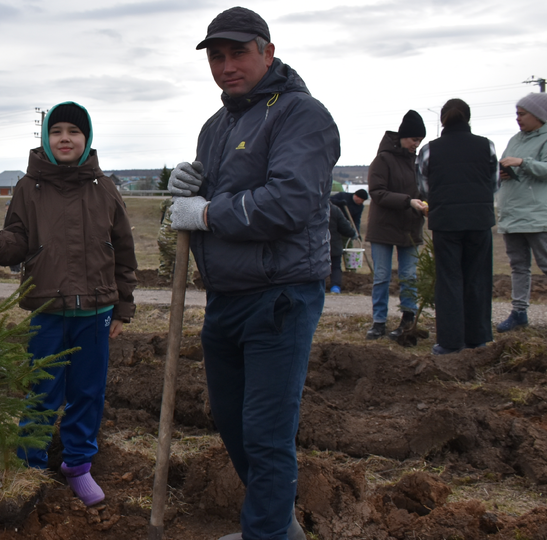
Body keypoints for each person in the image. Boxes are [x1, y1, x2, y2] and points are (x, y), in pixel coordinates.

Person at [167, 7, 338, 539]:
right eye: (216, 57)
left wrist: (208, 212)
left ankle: (266, 532)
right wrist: (188, 189)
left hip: (280, 295)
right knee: (235, 425)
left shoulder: (302, 115)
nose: (226, 66)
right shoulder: (215, 127)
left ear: (267, 51)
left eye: (238, 52)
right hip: (226, 297)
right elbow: (209, 203)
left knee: (266, 433)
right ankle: (277, 527)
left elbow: (288, 203)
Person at [0, 101, 137, 506]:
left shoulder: (105, 189)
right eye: (56, 130)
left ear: (86, 139)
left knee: (88, 392)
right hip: (47, 311)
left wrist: (123, 307)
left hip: (96, 313)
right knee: (42, 391)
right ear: (45, 138)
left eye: (73, 132)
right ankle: (31, 466)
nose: (65, 138)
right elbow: (18, 239)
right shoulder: (30, 187)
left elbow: (125, 252)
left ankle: (78, 466)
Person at [417, 99, 498, 355]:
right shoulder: (488, 146)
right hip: (479, 220)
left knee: (449, 280)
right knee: (477, 278)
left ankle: (450, 343)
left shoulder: (430, 150)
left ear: (442, 120)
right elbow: (493, 184)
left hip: (446, 221)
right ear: (469, 118)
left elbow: (424, 188)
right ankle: (478, 339)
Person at [363, 111, 427, 340]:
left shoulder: (417, 162)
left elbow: (423, 190)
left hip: (410, 227)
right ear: (403, 136)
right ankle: (378, 321)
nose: (416, 144)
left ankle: (408, 319)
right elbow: (377, 193)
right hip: (383, 228)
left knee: (409, 276)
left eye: (420, 141)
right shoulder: (383, 160)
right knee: (382, 276)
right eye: (413, 140)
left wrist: (424, 202)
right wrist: (408, 201)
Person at [495, 93, 547, 332]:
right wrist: (503, 171)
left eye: (522, 113)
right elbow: (508, 162)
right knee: (518, 266)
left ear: (538, 114)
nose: (518, 118)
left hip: (538, 216)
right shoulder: (515, 139)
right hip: (512, 214)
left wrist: (522, 162)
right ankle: (518, 313)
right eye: (517, 114)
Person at [328, 202, 357, 293]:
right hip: (334, 246)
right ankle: (335, 287)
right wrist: (353, 233)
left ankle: (316, 286)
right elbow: (344, 227)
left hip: (316, 247)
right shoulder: (334, 209)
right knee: (335, 267)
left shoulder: (311, 208)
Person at [156, 197, 177, 281]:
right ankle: (187, 283)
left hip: (162, 233)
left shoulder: (168, 201)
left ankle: (163, 279)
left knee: (165, 257)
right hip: (172, 235)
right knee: (185, 260)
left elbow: (162, 212)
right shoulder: (184, 204)